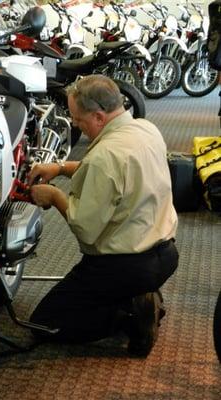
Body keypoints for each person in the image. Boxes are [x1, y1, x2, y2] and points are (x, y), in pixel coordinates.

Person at [27, 75, 179, 357]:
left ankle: (133, 316)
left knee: (45, 323)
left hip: (123, 266)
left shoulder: (105, 156)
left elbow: (85, 229)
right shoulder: (145, 129)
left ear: (98, 116)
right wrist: (60, 168)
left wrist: (55, 196)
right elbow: (114, 171)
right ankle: (140, 294)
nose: (75, 124)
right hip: (166, 254)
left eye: (78, 119)